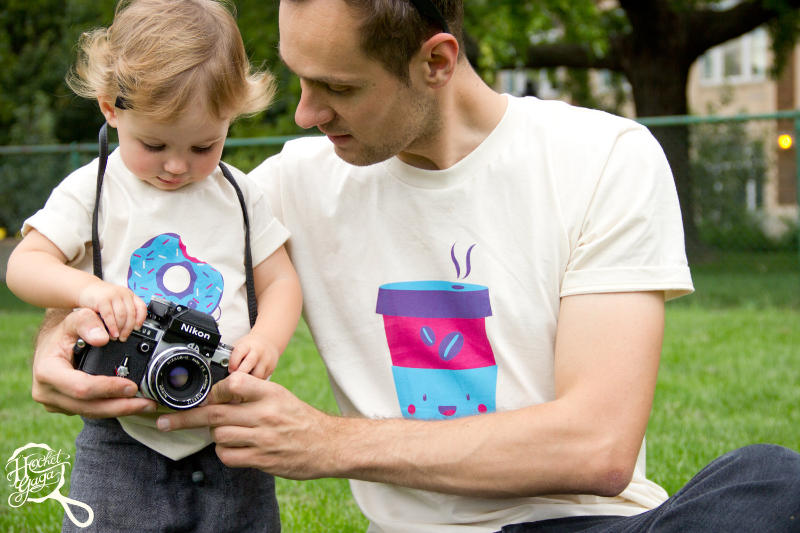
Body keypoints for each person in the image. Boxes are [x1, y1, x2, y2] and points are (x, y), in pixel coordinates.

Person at [28, 0, 800, 532]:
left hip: (594, 523)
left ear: (435, 61)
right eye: (300, 78)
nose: (304, 113)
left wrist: (328, 443)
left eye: (336, 87)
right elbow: (145, 255)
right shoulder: (283, 189)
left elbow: (594, 446)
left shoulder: (604, 157)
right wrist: (61, 338)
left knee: (771, 481)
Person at [7, 0, 302, 531]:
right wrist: (86, 290)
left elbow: (280, 279)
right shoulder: (94, 189)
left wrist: (269, 339)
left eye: (203, 145)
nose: (176, 164)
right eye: (155, 143)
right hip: (121, 435)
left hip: (227, 426)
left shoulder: (239, 194)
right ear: (110, 109)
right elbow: (25, 265)